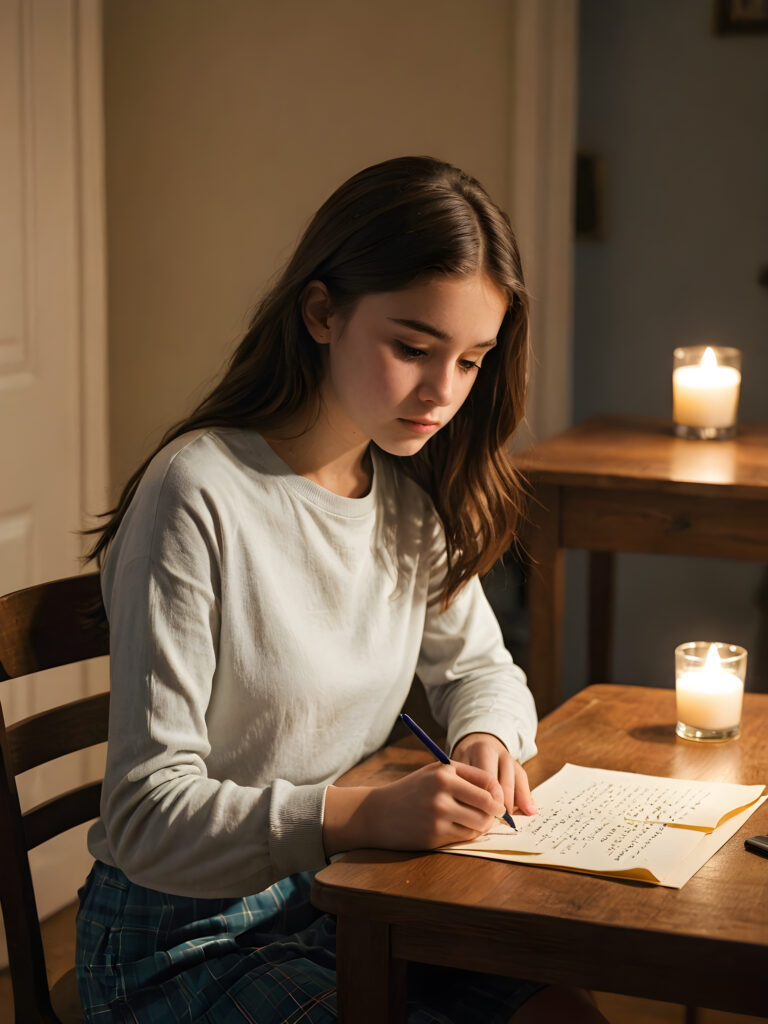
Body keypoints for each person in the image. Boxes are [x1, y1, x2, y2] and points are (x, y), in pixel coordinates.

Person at [76, 156, 608, 1023]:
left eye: (472, 361)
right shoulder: (199, 493)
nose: (443, 394)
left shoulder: (403, 503)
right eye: (412, 348)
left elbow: (483, 670)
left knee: (564, 1011)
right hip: (181, 940)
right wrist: (357, 817)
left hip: (341, 897)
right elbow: (143, 817)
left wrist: (486, 741)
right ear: (322, 312)